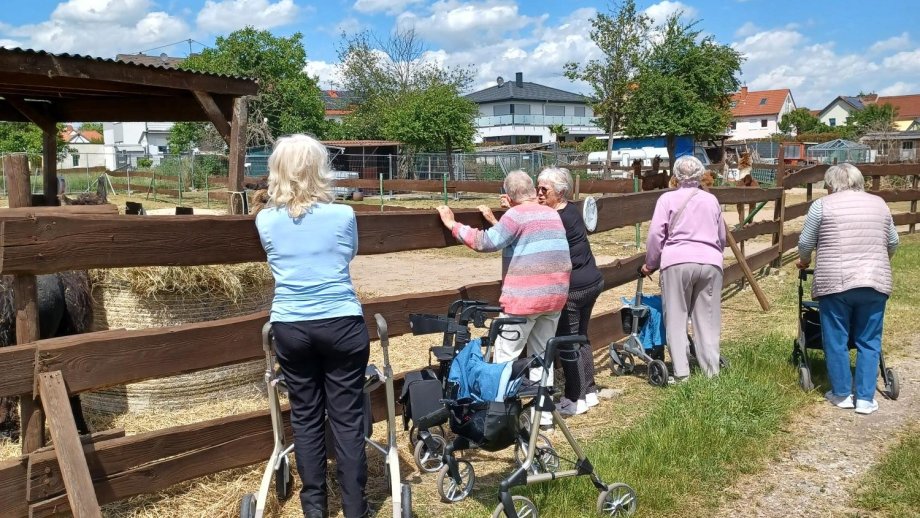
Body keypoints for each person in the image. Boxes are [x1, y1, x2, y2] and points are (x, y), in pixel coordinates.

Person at [255, 134, 369, 518]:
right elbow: (349, 254)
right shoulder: (344, 215)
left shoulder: (266, 220)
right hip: (340, 320)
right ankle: (355, 507)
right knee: (347, 418)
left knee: (305, 416)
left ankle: (314, 508)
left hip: (291, 324)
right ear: (319, 170)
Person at [436, 170, 571, 428]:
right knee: (542, 355)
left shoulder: (517, 215)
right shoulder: (551, 213)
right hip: (554, 297)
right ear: (532, 191)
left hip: (524, 301)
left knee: (504, 358)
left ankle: (500, 417)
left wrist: (453, 225)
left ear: (508, 196)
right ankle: (542, 417)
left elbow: (486, 242)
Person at [796, 163, 899, 415]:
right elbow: (893, 242)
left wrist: (805, 260)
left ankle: (841, 393)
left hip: (835, 282)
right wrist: (880, 260)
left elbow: (806, 241)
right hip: (874, 281)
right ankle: (865, 399)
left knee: (836, 338)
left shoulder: (822, 205)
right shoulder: (880, 203)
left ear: (831, 185)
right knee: (869, 339)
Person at [642, 155, 726, 382]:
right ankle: (711, 373)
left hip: (677, 262)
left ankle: (681, 373)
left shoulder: (667, 199)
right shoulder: (712, 200)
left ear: (676, 176)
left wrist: (651, 263)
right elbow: (722, 236)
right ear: (700, 174)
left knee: (677, 319)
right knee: (707, 319)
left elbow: (655, 235)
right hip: (710, 262)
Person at [532, 167, 604, 415]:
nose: (539, 194)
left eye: (544, 190)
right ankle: (589, 391)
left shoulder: (555, 219)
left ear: (560, 193)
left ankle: (574, 397)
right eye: (537, 188)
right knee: (581, 337)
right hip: (591, 281)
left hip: (573, 288)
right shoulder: (571, 210)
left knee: (567, 341)